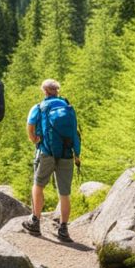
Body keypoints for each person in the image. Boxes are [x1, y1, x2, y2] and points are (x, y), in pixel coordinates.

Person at [22, 78, 82, 242]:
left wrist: (34, 139)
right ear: (57, 91)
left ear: (44, 91)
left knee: (38, 185)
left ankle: (35, 222)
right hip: (66, 154)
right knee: (64, 193)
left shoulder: (39, 107)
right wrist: (77, 154)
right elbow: (75, 133)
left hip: (46, 152)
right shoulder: (68, 108)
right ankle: (63, 230)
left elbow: (30, 126)